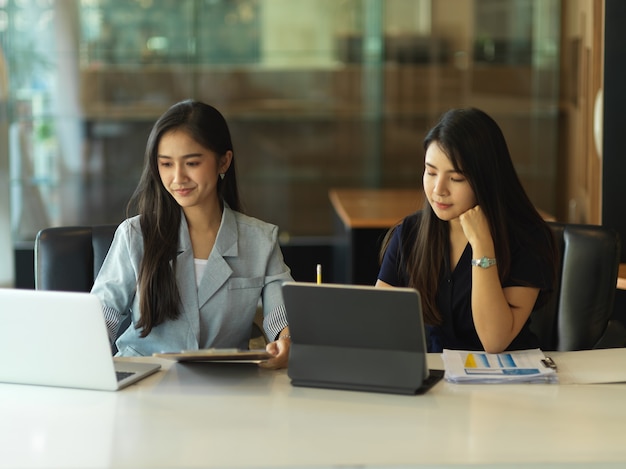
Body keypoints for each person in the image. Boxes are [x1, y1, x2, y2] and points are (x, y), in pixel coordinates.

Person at [91, 99, 293, 369]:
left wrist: (286, 340)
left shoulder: (260, 240)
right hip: (144, 383)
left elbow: (282, 315)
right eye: (166, 164)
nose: (178, 178)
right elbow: (103, 313)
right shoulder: (135, 234)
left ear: (223, 162)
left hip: (224, 385)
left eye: (192, 163)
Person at [376, 107, 558, 354]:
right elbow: (377, 322)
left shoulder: (526, 239)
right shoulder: (410, 233)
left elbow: (494, 341)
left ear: (485, 179)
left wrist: (482, 244)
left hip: (508, 383)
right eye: (431, 172)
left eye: (456, 178)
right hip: (437, 378)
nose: (439, 189)